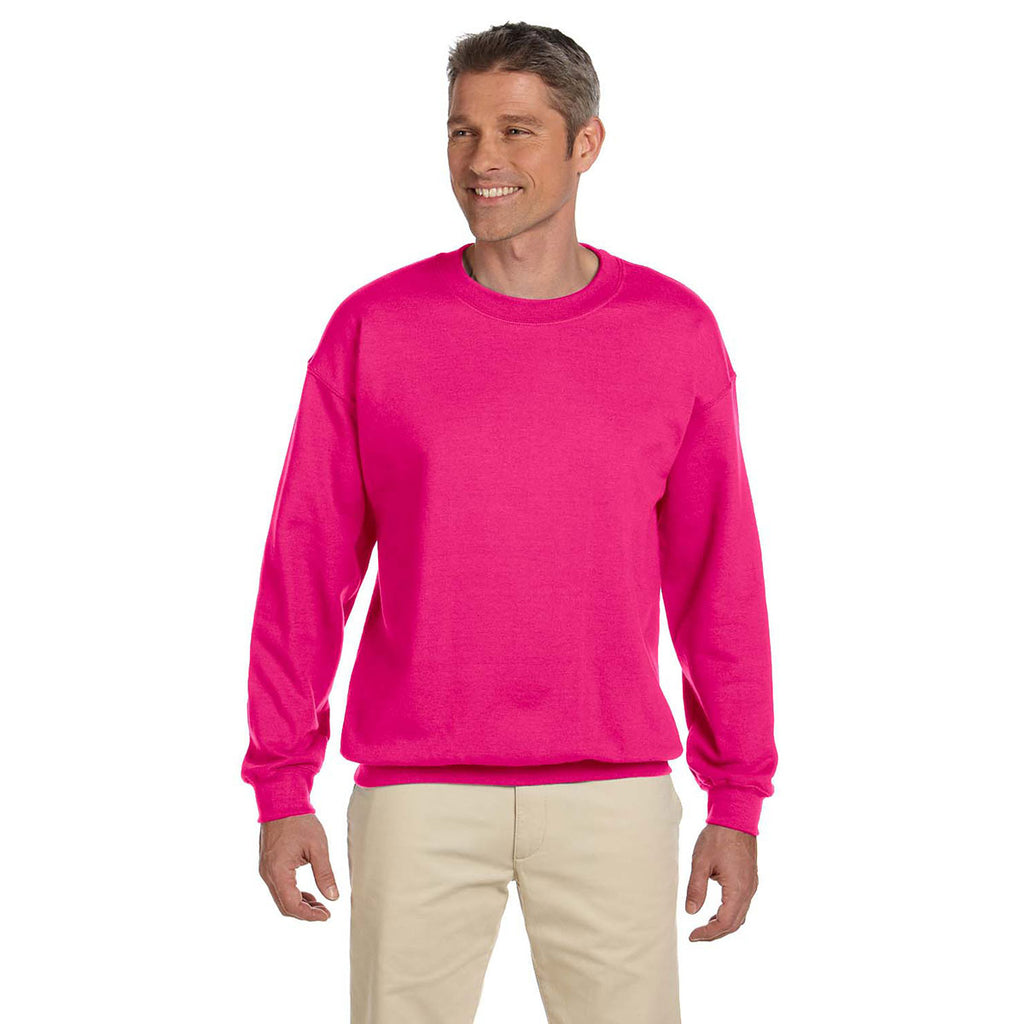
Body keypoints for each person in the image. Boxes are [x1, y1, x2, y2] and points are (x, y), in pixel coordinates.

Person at [241, 20, 778, 1024]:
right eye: (463, 130)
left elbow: (719, 581)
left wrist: (736, 798)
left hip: (613, 790)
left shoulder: (674, 333)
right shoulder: (373, 329)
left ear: (586, 144)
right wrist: (281, 784)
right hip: (416, 794)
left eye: (517, 130)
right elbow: (304, 567)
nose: (482, 158)